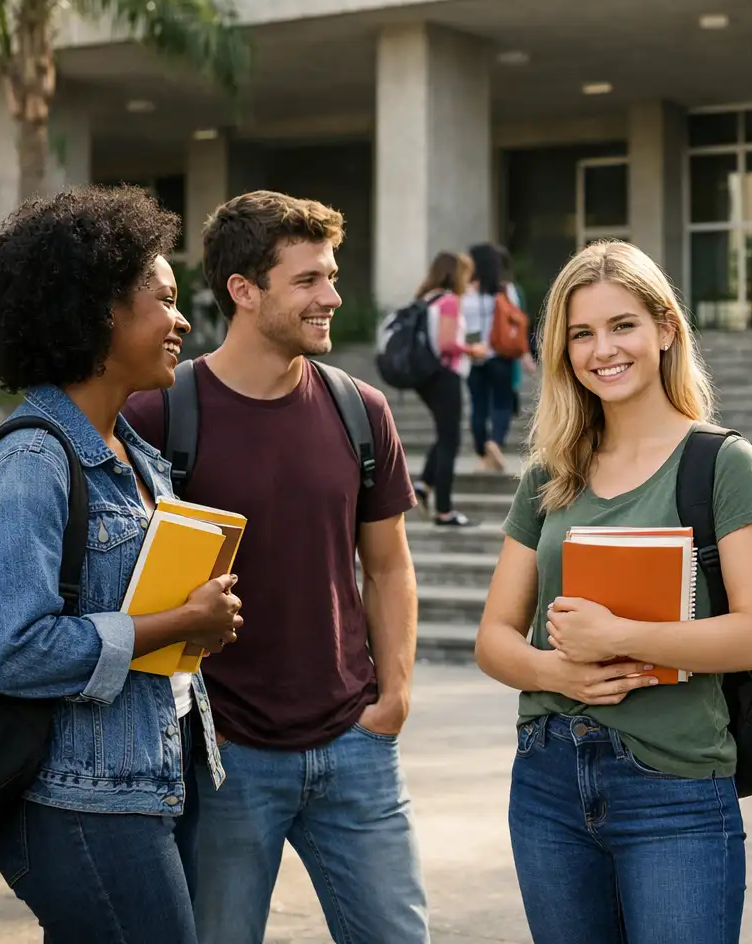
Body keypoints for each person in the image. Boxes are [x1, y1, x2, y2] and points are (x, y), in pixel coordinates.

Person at [121, 191, 429, 943]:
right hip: (228, 762)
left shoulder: (362, 410)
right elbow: (127, 588)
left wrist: (393, 698)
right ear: (244, 291)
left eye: (331, 275)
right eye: (309, 280)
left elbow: (387, 566)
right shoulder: (159, 414)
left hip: (356, 749)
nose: (333, 296)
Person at [475, 240, 752, 944]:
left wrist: (618, 639)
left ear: (665, 329)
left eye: (623, 326)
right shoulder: (549, 475)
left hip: (674, 786)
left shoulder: (722, 463)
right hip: (548, 777)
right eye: (581, 333)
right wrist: (557, 671)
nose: (602, 349)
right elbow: (494, 637)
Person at [0, 185, 241, 941]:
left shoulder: (140, 458)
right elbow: (9, 649)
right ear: (101, 312)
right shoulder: (32, 461)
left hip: (156, 772)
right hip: (78, 798)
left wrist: (196, 627)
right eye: (165, 299)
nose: (184, 320)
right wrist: (176, 621)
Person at [413, 249, 487, 526]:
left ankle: (423, 486)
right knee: (450, 440)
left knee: (445, 435)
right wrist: (472, 349)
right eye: (465, 274)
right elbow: (446, 344)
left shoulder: (427, 299)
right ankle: (444, 510)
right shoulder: (449, 302)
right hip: (446, 375)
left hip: (428, 375)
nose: (468, 280)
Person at [463, 241, 523, 472]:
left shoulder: (465, 291)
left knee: (478, 406)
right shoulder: (507, 290)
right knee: (502, 402)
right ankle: (494, 442)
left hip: (474, 358)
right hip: (500, 356)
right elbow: (516, 320)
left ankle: (482, 452)